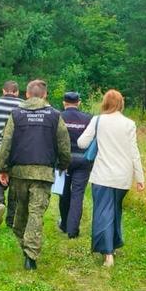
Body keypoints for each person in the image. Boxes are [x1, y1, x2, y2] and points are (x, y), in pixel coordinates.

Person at [0, 79, 71, 270]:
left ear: (27, 94)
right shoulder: (55, 115)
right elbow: (64, 143)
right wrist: (63, 164)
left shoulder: (16, 114)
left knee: (21, 210)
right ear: (45, 95)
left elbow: (6, 142)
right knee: (36, 212)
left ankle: (27, 247)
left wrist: (2, 168)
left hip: (19, 173)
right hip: (43, 173)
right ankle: (30, 254)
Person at [76, 89, 145, 267]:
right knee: (115, 210)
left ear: (105, 103)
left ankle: (108, 254)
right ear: (121, 103)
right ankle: (113, 244)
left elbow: (82, 143)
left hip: (103, 175)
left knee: (103, 212)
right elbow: (134, 152)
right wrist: (140, 178)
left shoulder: (98, 120)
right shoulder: (129, 124)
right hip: (123, 176)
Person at [0, 80, 23, 227]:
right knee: (15, 183)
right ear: (17, 92)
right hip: (17, 148)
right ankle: (11, 219)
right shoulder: (22, 105)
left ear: (3, 90)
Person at [58, 91, 93, 238]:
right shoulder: (88, 118)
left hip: (63, 160)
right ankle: (73, 230)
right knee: (77, 194)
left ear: (64, 103)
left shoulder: (58, 116)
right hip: (83, 160)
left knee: (64, 192)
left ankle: (64, 224)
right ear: (79, 102)